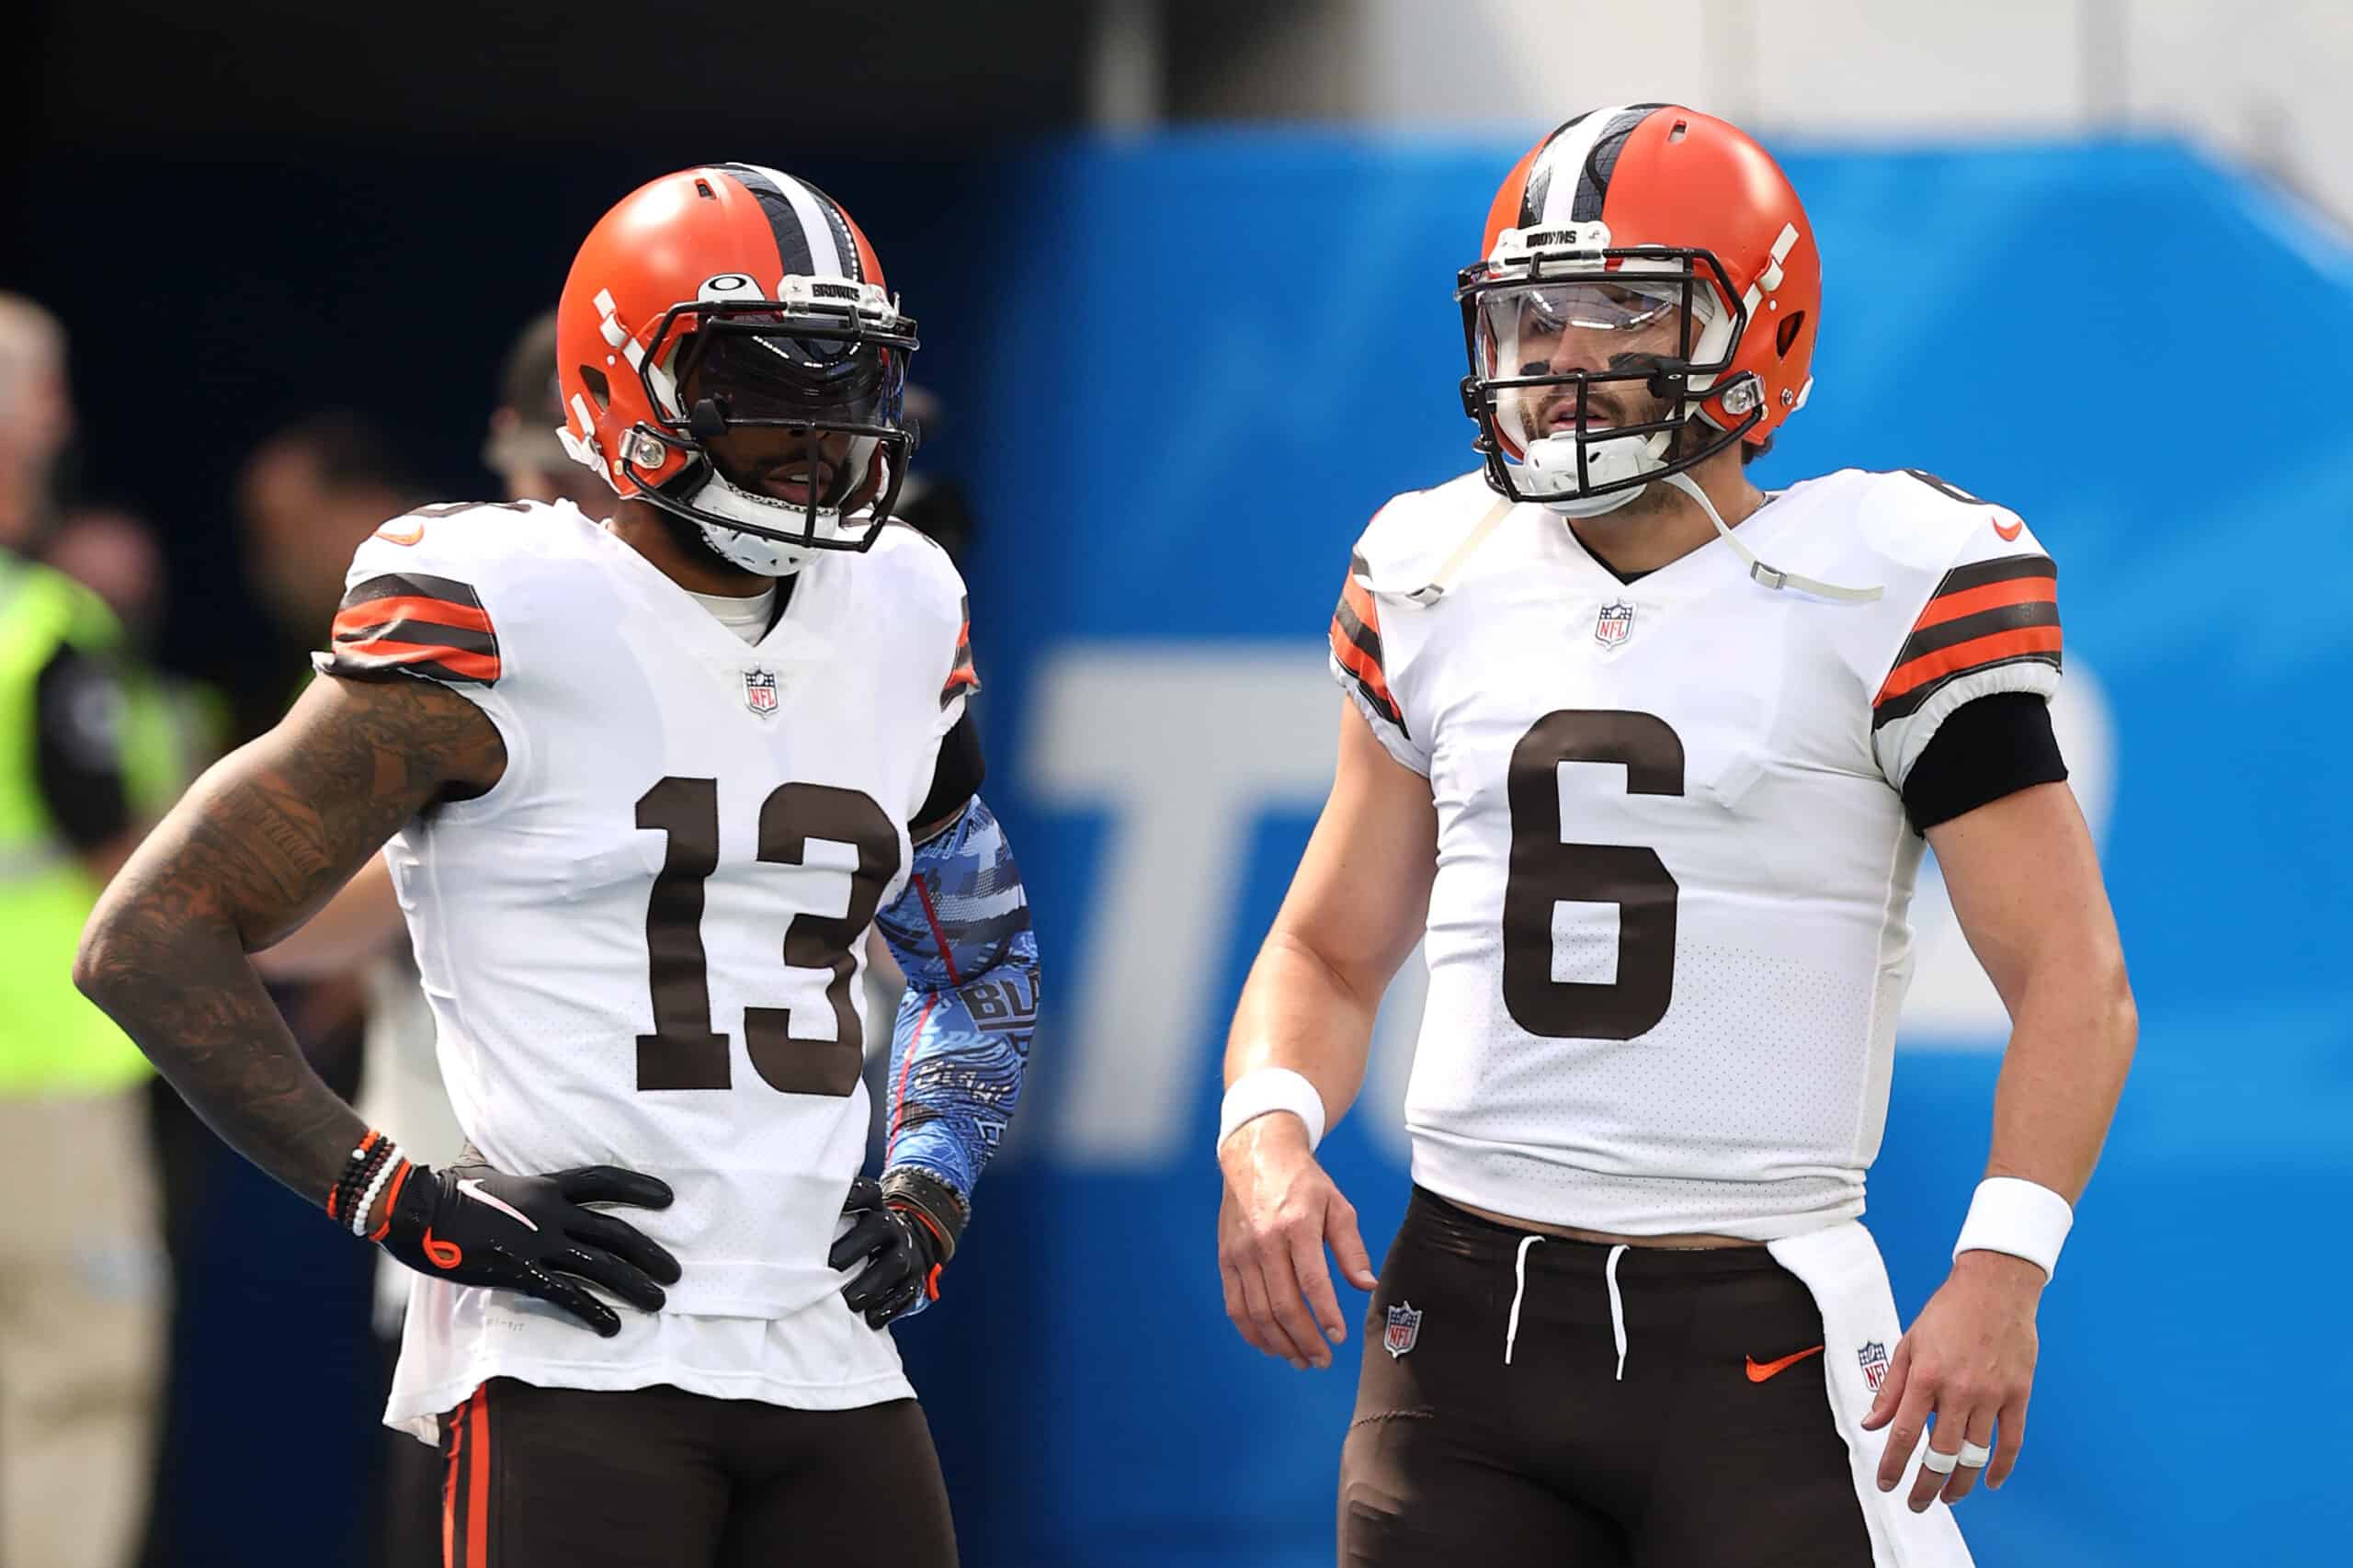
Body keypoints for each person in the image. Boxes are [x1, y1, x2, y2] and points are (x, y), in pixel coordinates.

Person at [76, 162, 1040, 1567]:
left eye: (845, 386)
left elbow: (982, 958)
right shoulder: (504, 606)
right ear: (621, 388)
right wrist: (396, 1195)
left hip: (830, 1354)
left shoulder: (902, 603)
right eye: (760, 383)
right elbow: (150, 934)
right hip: (573, 1362)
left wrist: (932, 1174)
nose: (816, 435)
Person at [1212, 106, 2136, 1566]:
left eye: (1627, 308)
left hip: (1754, 1334)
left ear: (1757, 330)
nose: (1567, 357)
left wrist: (2005, 1264)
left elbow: (2074, 977)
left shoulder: (1887, 578)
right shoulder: (1429, 567)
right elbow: (1327, 944)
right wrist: (1264, 1132)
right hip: (1454, 1332)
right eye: (1534, 317)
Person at [0, 297, 174, 1568]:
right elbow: (126, 852)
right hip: (43, 1080)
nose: (57, 416)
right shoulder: (49, 631)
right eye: (42, 390)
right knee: (71, 1391)